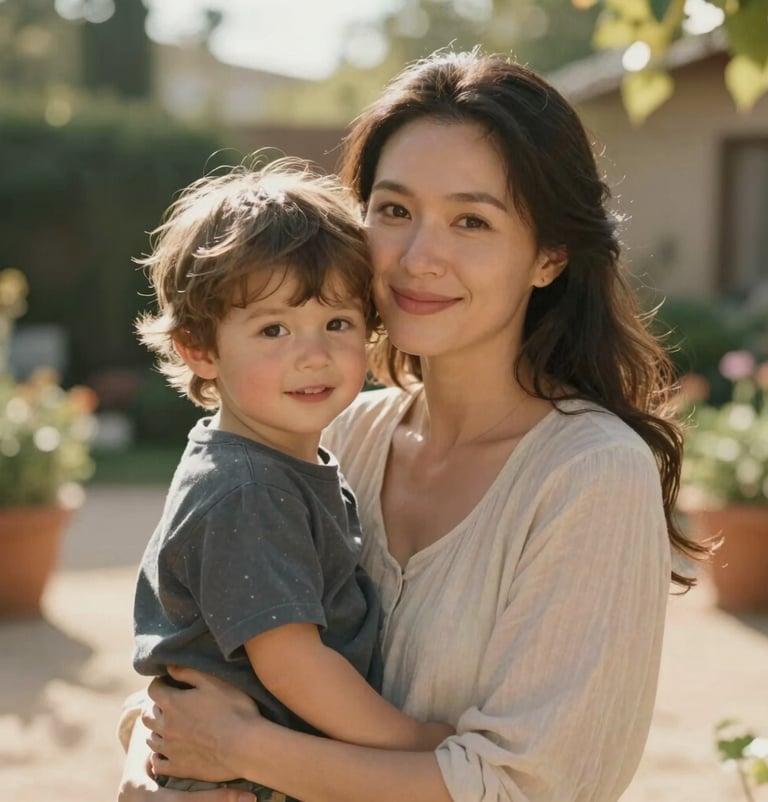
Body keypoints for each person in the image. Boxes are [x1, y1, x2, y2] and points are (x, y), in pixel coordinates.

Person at [118, 49, 710, 802]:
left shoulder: (589, 474)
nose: (417, 257)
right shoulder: (333, 433)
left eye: (471, 220)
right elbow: (192, 664)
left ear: (551, 255)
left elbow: (521, 789)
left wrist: (246, 750)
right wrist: (147, 763)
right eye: (394, 211)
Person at [129, 157, 453, 801]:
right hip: (245, 783)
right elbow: (293, 667)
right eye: (273, 328)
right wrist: (416, 742)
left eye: (337, 323)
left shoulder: (274, 462)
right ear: (200, 349)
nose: (313, 353)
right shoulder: (252, 490)